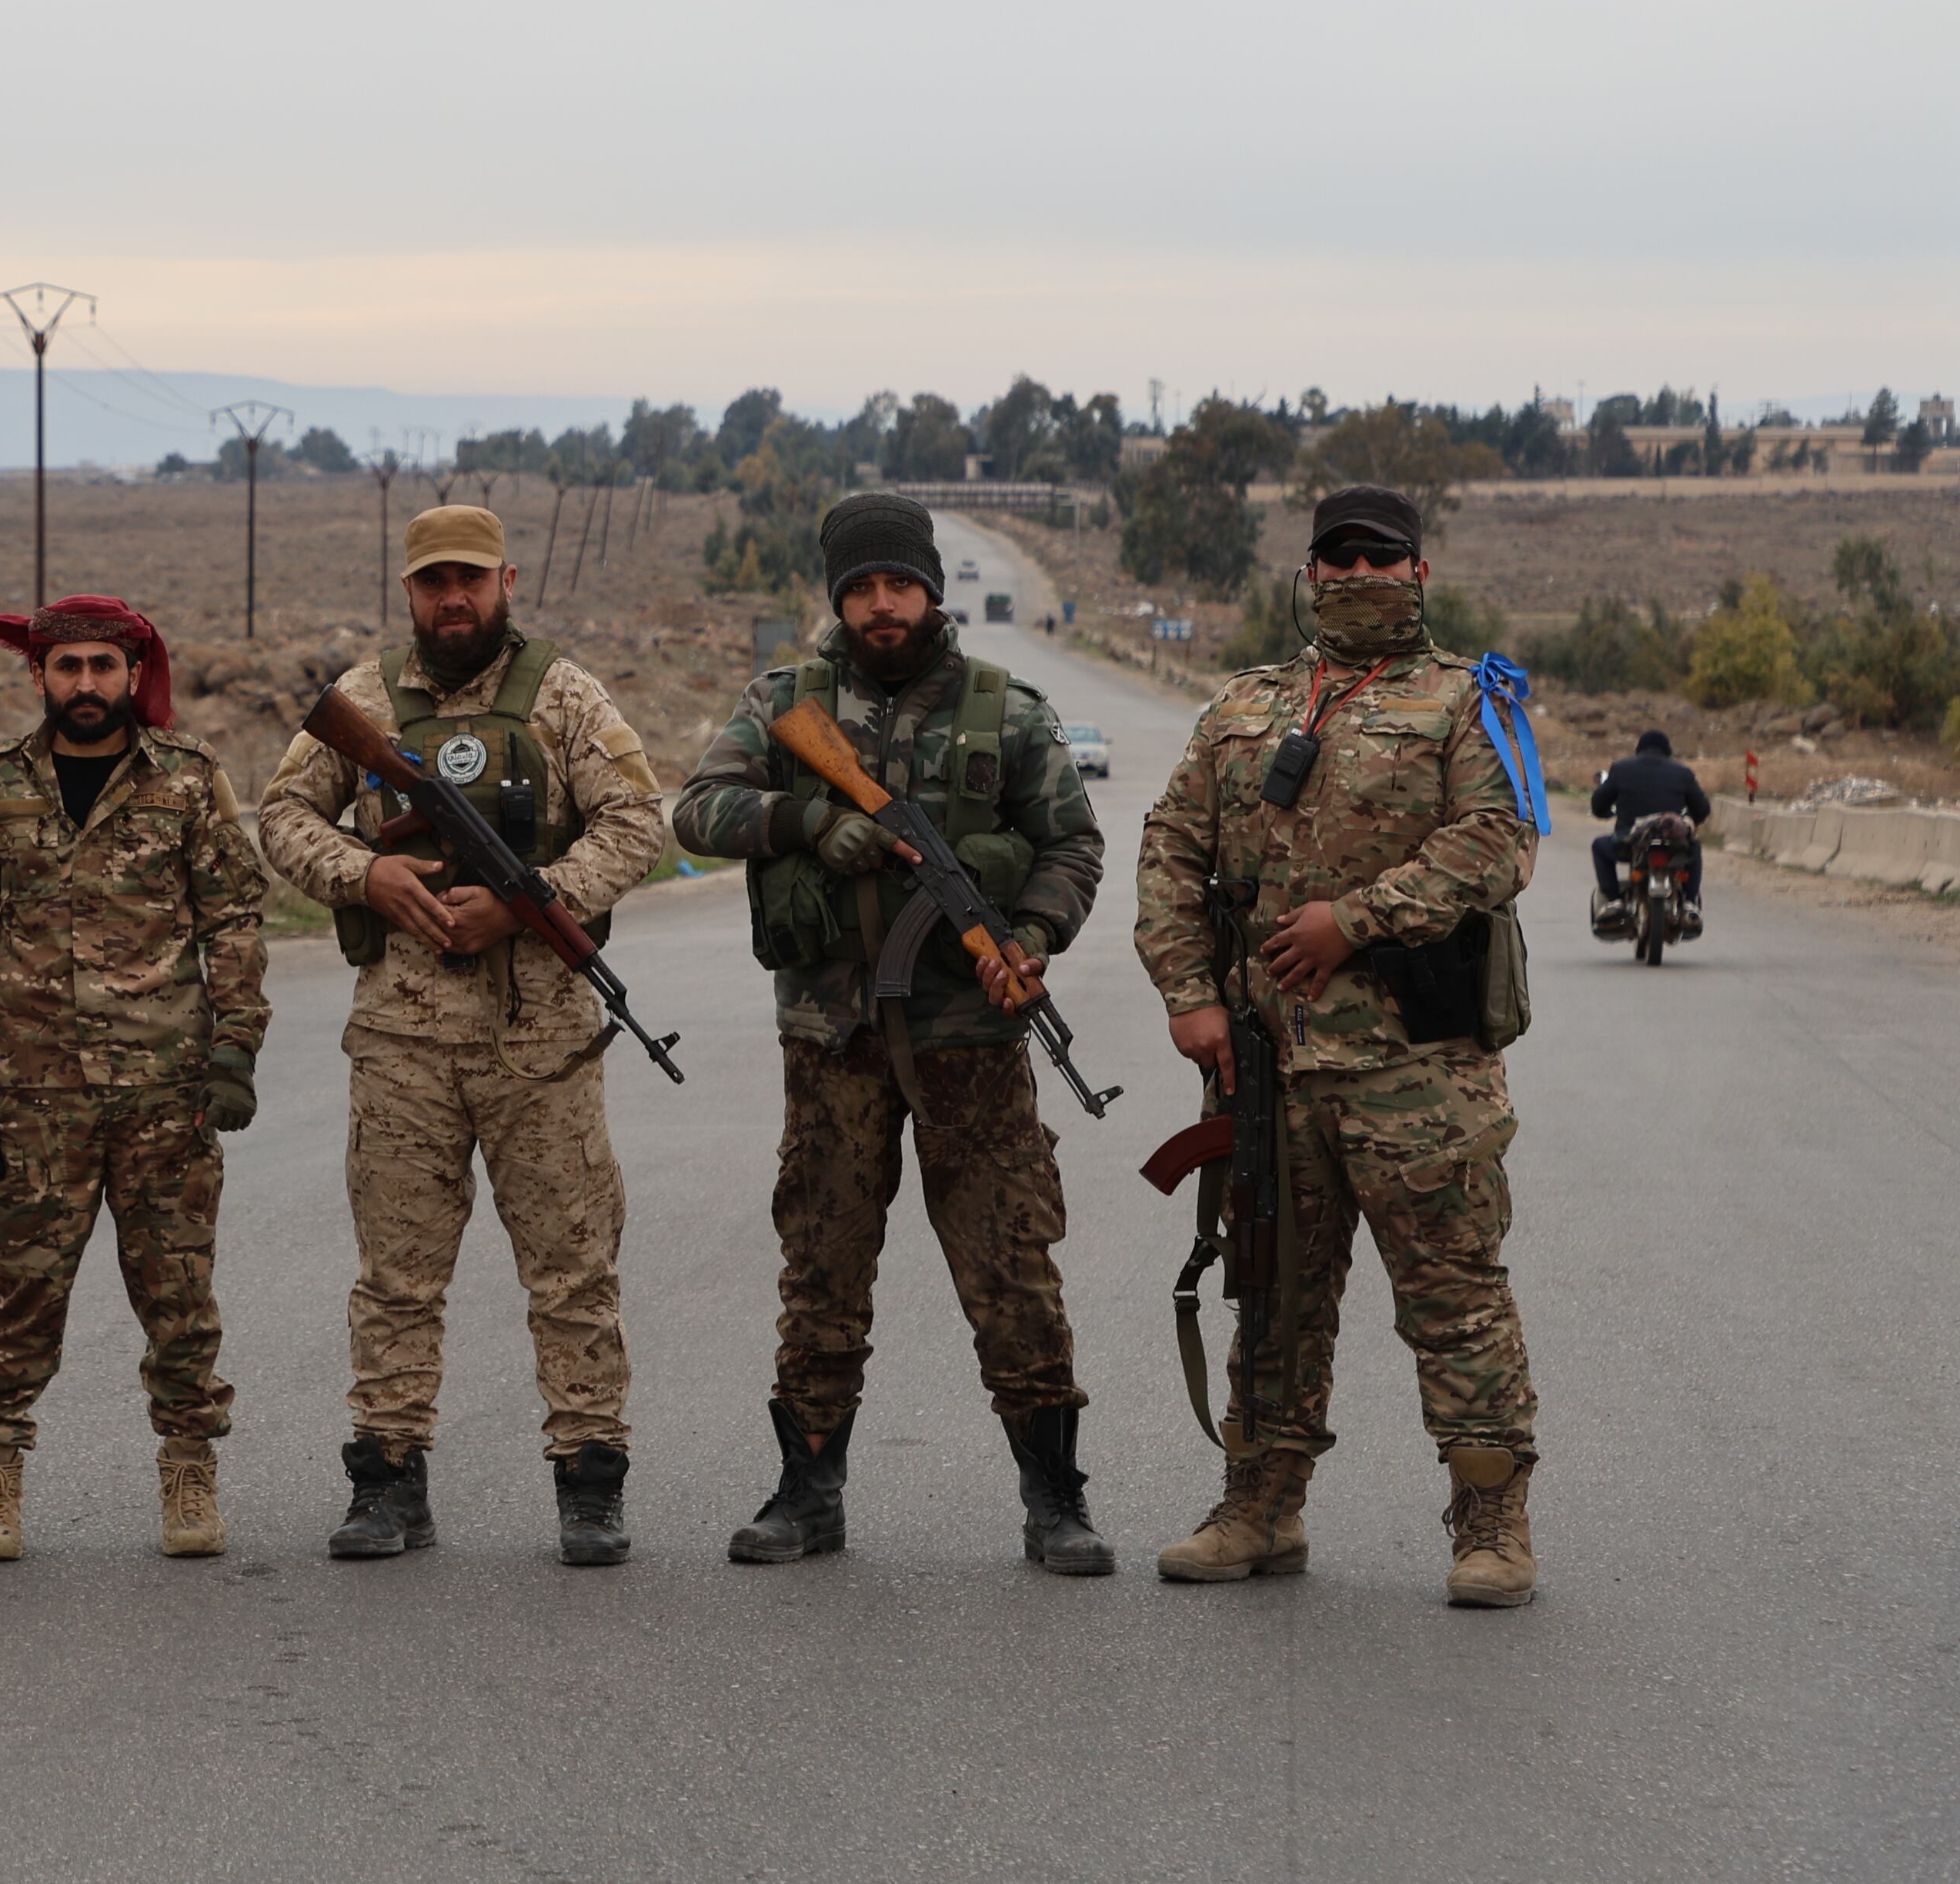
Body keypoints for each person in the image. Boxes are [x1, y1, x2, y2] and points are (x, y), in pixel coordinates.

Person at [668, 493, 1113, 1575]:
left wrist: (1038, 933)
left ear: (932, 590)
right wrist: (809, 818)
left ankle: (1055, 1497)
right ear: (839, 597)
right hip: (832, 1040)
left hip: (972, 1041)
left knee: (1012, 1266)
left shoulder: (1014, 711)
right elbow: (697, 808)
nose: (881, 604)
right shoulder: (783, 699)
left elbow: (1073, 844)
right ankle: (806, 1491)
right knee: (822, 1262)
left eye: (899, 584)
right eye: (862, 587)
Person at [1134, 484, 1548, 1608]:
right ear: (1308, 575)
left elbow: (1499, 842)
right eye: (1340, 559)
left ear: (1420, 574)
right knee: (1270, 1293)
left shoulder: (1467, 699)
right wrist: (1189, 992)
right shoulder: (1241, 707)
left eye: (1383, 559)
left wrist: (1352, 919)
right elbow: (1170, 846)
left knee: (1455, 1296)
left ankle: (1491, 1523)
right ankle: (1260, 1506)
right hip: (1268, 1063)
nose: (1360, 576)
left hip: (1419, 1068)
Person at [255, 504, 669, 1567]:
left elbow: (637, 823)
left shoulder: (565, 696)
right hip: (400, 1041)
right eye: (435, 581)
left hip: (543, 1042)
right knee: (396, 1274)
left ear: (507, 582)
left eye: (472, 581)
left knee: (573, 1270)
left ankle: (589, 1481)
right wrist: (370, 873)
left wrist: (533, 900)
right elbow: (283, 817)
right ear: (408, 591)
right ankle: (388, 1480)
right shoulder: (362, 700)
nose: (454, 600)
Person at [0, 594, 270, 1560]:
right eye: (66, 668)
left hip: (167, 1092)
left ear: (130, 675)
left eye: (101, 668)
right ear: (39, 676)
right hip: (36, 1099)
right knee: (21, 1296)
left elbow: (233, 921)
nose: (84, 685)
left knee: (178, 1298)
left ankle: (190, 1473)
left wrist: (236, 1051)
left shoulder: (188, 784)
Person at [1588, 729, 1710, 929]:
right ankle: (1689, 902)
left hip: (1630, 841)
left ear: (1639, 749)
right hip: (1672, 843)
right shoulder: (1682, 773)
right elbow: (1703, 809)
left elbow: (1598, 803)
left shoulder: (1621, 769)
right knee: (1693, 848)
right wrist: (1689, 821)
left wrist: (1606, 813)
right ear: (1667, 751)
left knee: (1599, 846)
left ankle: (1613, 900)